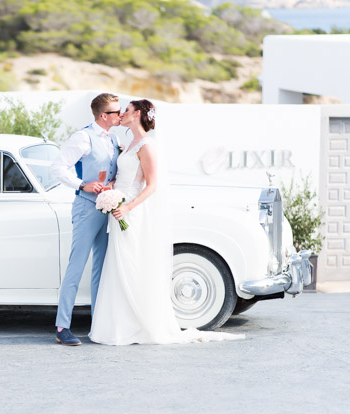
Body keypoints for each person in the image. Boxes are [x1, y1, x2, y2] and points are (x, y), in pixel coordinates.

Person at [88, 99, 245, 345]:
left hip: (132, 211)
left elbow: (152, 185)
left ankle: (139, 325)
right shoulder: (129, 144)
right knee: (118, 267)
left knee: (131, 265)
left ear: (137, 114)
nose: (121, 114)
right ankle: (119, 326)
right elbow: (125, 176)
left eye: (126, 110)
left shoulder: (147, 146)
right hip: (119, 207)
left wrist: (127, 206)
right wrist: (111, 192)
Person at [50, 93, 122, 346]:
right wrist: (82, 184)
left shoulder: (113, 138)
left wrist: (112, 184)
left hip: (107, 208)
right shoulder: (82, 137)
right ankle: (62, 326)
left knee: (101, 268)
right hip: (86, 208)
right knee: (76, 266)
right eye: (116, 111)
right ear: (104, 116)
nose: (120, 114)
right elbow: (58, 167)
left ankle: (98, 323)